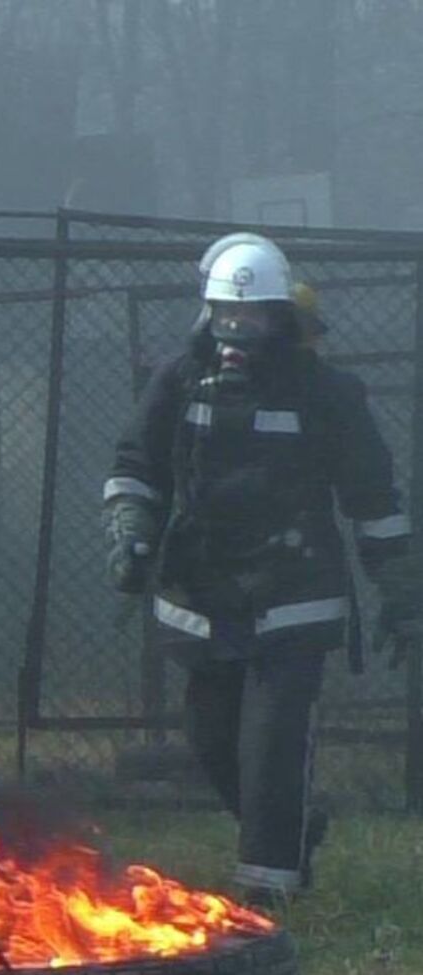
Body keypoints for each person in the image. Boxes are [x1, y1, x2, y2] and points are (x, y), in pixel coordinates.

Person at [103, 234, 419, 904]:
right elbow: (137, 466)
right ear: (207, 312)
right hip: (203, 589)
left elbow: (372, 498)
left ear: (282, 317)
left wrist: (400, 591)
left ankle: (267, 889)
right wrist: (131, 532)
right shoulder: (178, 380)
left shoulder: (326, 392)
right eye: (226, 315)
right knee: (215, 741)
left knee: (272, 740)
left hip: (295, 587)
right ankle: (293, 829)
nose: (237, 331)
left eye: (252, 317)